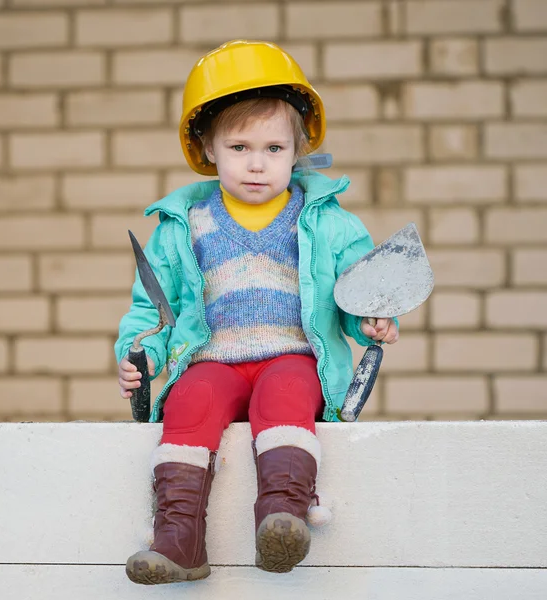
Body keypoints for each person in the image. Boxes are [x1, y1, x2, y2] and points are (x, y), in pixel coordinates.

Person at [115, 39, 399, 585]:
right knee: (190, 402)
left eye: (273, 149)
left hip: (289, 355)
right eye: (240, 147)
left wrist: (368, 318)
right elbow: (152, 308)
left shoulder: (325, 221)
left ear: (298, 151)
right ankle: (178, 540)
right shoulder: (183, 226)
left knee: (287, 396)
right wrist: (143, 356)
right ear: (208, 149)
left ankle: (282, 518)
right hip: (212, 357)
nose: (256, 163)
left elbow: (353, 290)